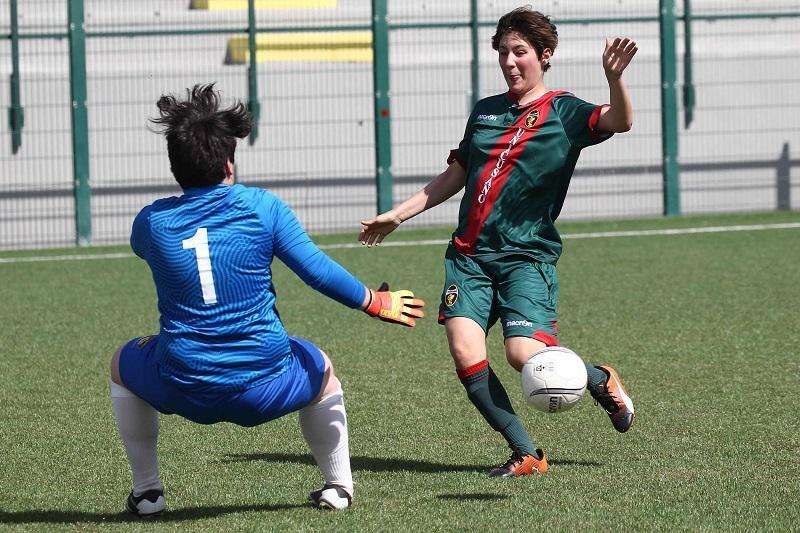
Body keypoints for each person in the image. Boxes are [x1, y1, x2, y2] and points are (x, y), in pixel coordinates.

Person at [109, 84, 425, 516]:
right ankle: (338, 487)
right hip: (265, 382)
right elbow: (316, 271)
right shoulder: (262, 208)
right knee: (323, 372)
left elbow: (148, 247)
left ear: (175, 167)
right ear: (229, 163)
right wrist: (373, 301)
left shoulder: (151, 222)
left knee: (121, 366)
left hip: (185, 383)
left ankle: (147, 493)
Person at [359, 7, 637, 477]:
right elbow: (457, 175)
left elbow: (620, 121)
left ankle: (598, 379)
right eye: (504, 52)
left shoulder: (565, 111)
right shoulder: (486, 110)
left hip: (526, 256)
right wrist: (398, 215)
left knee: (521, 355)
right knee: (466, 351)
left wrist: (614, 79)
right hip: (468, 257)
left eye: (520, 52)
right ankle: (527, 452)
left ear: (544, 56)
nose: (510, 61)